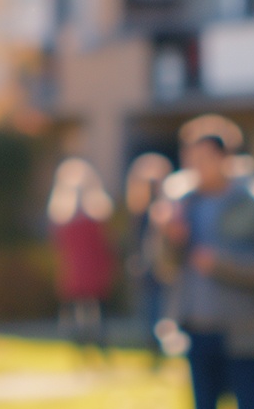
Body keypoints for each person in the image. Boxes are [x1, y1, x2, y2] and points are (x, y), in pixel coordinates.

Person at [156, 116, 254, 409]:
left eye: (203, 158)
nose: (195, 167)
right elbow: (166, 267)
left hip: (244, 333)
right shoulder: (183, 204)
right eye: (190, 158)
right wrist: (170, 237)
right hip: (197, 328)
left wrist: (220, 263)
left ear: (224, 158)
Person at [49, 157, 115, 357]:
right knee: (86, 314)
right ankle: (88, 348)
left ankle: (91, 347)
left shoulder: (71, 215)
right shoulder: (76, 215)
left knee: (89, 313)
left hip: (83, 270)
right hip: (82, 270)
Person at [125, 151, 175, 361]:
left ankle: (161, 342)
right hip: (149, 266)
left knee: (162, 306)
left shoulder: (167, 205)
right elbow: (136, 237)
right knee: (151, 307)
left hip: (164, 264)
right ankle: (154, 344)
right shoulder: (140, 208)